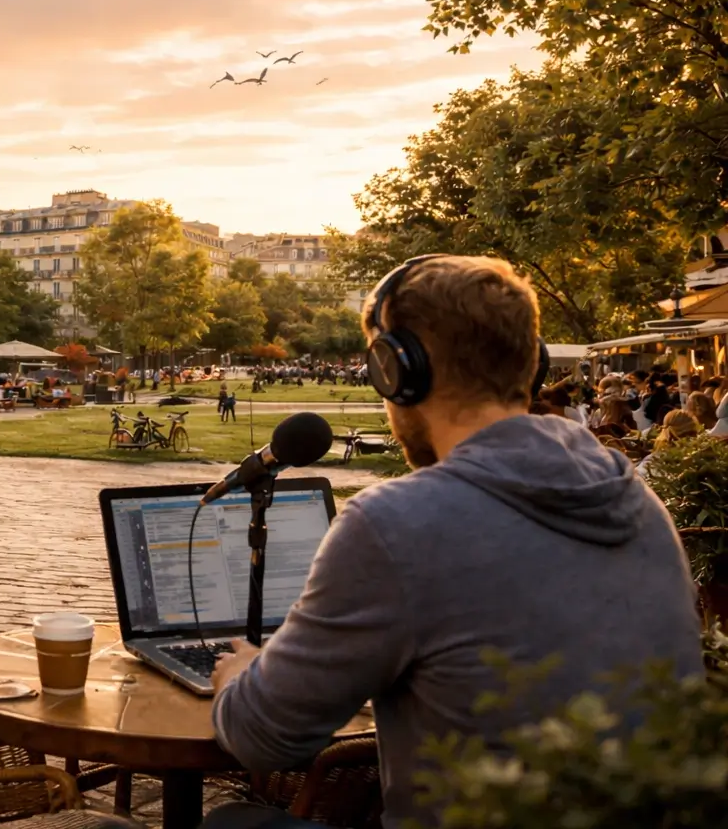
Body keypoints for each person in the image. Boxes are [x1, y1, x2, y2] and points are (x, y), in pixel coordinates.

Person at [206, 255, 701, 829]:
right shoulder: (640, 501)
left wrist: (237, 673)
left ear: (395, 370)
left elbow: (260, 736)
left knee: (232, 820)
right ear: (530, 365)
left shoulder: (398, 522)